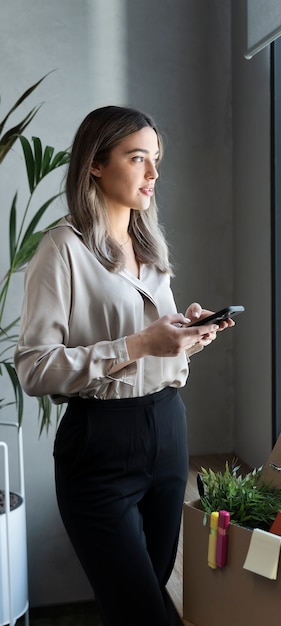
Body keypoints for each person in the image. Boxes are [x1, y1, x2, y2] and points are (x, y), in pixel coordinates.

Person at [14, 105, 235, 625]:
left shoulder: (149, 245)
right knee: (140, 613)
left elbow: (154, 345)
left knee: (146, 598)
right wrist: (136, 346)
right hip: (100, 446)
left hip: (167, 431)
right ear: (95, 163)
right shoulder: (60, 251)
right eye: (139, 159)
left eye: (156, 160)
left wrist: (185, 335)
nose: (154, 174)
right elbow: (34, 368)